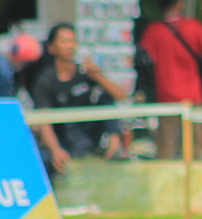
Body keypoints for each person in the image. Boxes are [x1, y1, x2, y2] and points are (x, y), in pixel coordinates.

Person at [30, 23, 129, 175]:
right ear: (52, 47)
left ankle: (114, 145)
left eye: (72, 41)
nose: (70, 46)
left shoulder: (85, 73)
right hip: (63, 137)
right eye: (64, 41)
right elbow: (44, 121)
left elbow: (121, 96)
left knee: (105, 96)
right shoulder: (45, 81)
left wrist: (98, 76)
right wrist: (56, 150)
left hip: (88, 134)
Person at [138, 0, 202, 159]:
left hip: (166, 95)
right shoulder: (194, 26)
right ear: (180, 2)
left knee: (165, 147)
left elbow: (145, 60)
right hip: (192, 94)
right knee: (196, 146)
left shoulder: (152, 31)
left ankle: (165, 183)